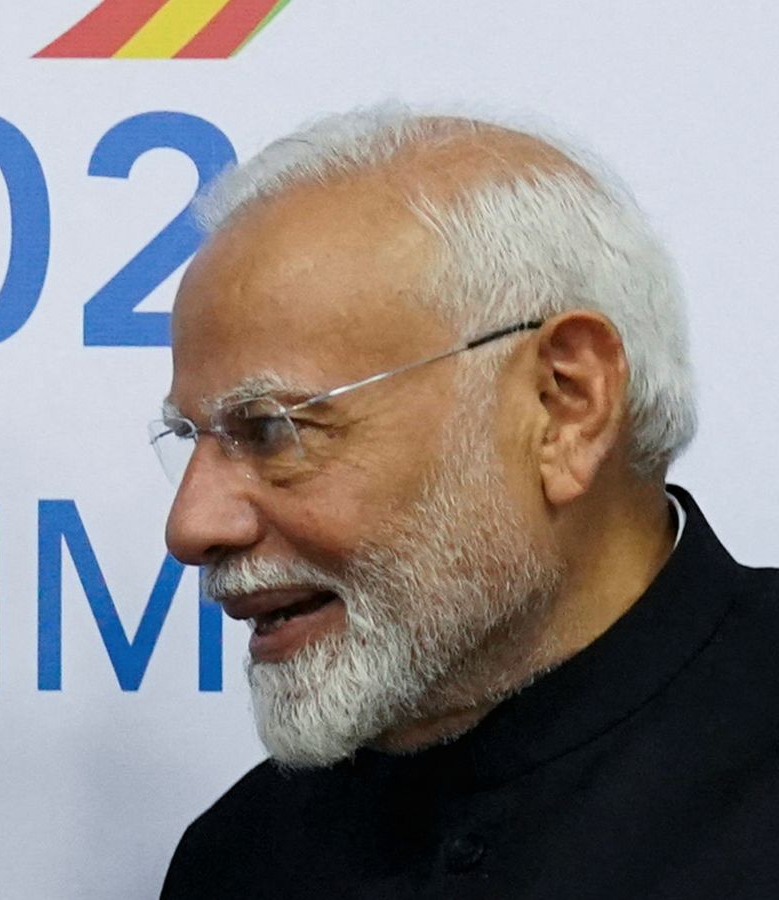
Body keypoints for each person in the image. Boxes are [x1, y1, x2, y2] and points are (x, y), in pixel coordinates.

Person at [152, 106, 779, 898]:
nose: (191, 525)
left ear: (563, 406)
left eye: (273, 429)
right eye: (190, 436)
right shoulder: (241, 859)